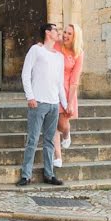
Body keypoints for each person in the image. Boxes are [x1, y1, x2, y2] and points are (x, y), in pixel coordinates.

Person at [17, 23, 70, 186]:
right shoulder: (36, 50)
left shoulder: (59, 57)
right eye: (55, 30)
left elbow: (60, 83)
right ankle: (26, 175)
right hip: (38, 102)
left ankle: (49, 174)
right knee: (32, 139)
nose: (58, 33)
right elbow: (26, 74)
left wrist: (65, 103)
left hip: (54, 104)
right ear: (48, 33)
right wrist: (30, 96)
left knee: (49, 141)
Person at [53, 23, 85, 167]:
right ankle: (58, 157)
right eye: (64, 32)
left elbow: (74, 80)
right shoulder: (57, 45)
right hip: (53, 87)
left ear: (75, 37)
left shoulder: (79, 53)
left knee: (63, 123)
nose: (65, 35)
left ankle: (66, 133)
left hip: (67, 90)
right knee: (53, 123)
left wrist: (70, 102)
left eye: (69, 34)